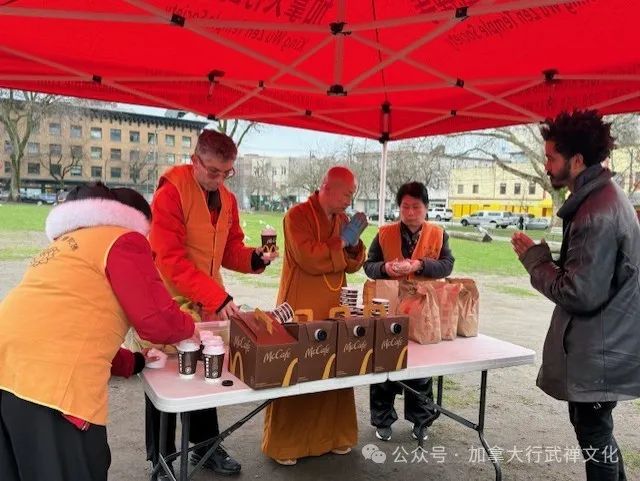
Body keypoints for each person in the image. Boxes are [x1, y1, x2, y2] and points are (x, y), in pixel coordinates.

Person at [0, 183, 196, 481]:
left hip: (9, 372)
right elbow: (156, 320)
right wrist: (191, 328)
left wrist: (135, 362)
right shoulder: (124, 238)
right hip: (52, 387)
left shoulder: (66, 245)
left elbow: (72, 329)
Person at [136, 129, 277, 476]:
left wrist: (255, 258)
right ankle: (161, 457)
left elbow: (230, 250)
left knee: (206, 376)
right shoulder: (171, 193)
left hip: (207, 302)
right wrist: (218, 296)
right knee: (165, 379)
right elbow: (168, 258)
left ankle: (206, 447)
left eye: (227, 172)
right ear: (195, 160)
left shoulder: (227, 199)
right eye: (213, 171)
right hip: (167, 299)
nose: (220, 179)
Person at [512, 110, 640, 481]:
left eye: (552, 157)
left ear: (578, 161)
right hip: (606, 346)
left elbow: (578, 292)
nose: (546, 165)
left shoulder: (595, 212)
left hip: (601, 349)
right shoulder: (600, 201)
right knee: (597, 434)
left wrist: (534, 259)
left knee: (595, 435)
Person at [262, 166, 367, 465]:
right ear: (327, 187)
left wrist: (355, 242)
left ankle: (335, 437)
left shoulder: (343, 220)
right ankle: (287, 445)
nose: (350, 199)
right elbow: (308, 257)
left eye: (352, 194)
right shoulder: (296, 216)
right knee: (299, 369)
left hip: (335, 303)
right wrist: (342, 243)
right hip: (302, 305)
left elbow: (352, 265)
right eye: (347, 193)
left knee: (335, 365)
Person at [363, 181, 454, 442]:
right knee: (384, 362)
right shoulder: (384, 233)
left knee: (421, 367)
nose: (410, 212)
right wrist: (386, 269)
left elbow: (447, 265)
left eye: (416, 206)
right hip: (388, 306)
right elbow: (369, 266)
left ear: (426, 208)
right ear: (399, 208)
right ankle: (382, 419)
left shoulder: (438, 234)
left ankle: (421, 421)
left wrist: (420, 265)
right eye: (405, 206)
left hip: (422, 309)